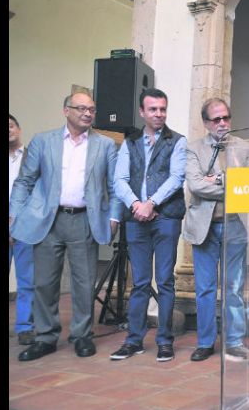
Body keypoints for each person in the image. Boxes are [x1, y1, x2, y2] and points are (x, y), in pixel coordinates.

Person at [11, 92, 121, 361]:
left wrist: (114, 216)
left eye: (92, 109)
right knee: (45, 282)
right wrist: (15, 214)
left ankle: (82, 336)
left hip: (85, 219)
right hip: (47, 221)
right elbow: (24, 181)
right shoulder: (43, 141)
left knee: (84, 282)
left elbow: (115, 186)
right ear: (66, 110)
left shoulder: (105, 145)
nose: (87, 113)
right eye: (81, 108)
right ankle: (45, 337)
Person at [110, 88, 186, 363]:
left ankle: (165, 341)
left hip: (166, 218)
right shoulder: (129, 142)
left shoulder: (177, 141)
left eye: (162, 109)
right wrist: (135, 205)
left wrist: (151, 203)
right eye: (153, 109)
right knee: (139, 283)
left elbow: (177, 178)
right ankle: (134, 341)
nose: (159, 114)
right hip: (136, 219)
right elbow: (119, 180)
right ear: (142, 112)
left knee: (165, 281)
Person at [183, 98, 249, 362]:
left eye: (226, 117)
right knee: (204, 288)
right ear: (206, 123)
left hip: (235, 224)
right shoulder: (193, 150)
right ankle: (205, 342)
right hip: (203, 227)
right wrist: (229, 183)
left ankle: (234, 341)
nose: (223, 123)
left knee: (234, 287)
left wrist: (219, 179)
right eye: (216, 119)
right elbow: (196, 185)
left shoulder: (245, 149)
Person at [9, 114, 35, 346]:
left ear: (19, 128)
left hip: (24, 225)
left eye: (11, 126)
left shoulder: (30, 157)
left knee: (26, 279)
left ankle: (25, 326)